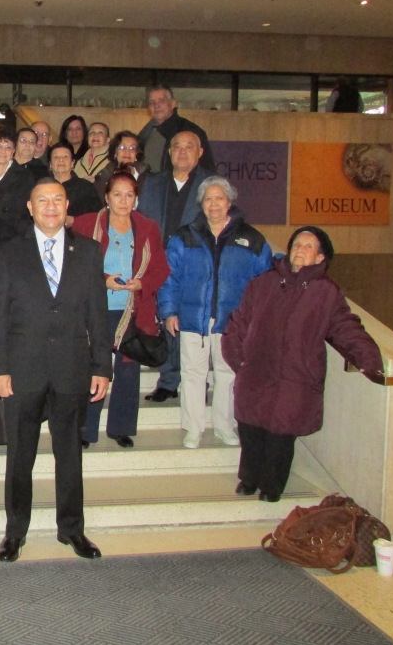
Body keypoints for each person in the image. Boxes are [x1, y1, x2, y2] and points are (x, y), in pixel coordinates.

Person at [0, 178, 111, 563]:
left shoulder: (88, 252)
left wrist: (101, 366)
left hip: (71, 368)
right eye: (43, 200)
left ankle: (72, 529)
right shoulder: (9, 253)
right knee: (19, 457)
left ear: (67, 204)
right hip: (22, 368)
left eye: (58, 199)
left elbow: (97, 315)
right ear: (30, 207)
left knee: (69, 454)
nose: (51, 206)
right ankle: (15, 532)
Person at [222, 227, 383, 502]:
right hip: (257, 371)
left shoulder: (326, 292)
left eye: (308, 246)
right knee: (251, 428)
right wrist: (242, 360)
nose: (300, 249)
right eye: (297, 244)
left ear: (320, 258)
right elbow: (238, 323)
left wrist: (368, 358)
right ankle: (249, 478)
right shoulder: (263, 283)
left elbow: (345, 327)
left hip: (296, 376)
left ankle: (271, 487)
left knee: (281, 434)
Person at [157, 177, 272, 449]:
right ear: (201, 204)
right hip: (192, 319)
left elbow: (265, 282)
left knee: (228, 374)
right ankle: (193, 428)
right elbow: (169, 277)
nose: (213, 204)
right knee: (193, 373)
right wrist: (169, 311)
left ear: (230, 202)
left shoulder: (251, 239)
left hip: (233, 321)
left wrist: (255, 318)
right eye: (208, 199)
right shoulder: (185, 236)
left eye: (219, 198)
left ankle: (224, 426)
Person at [72, 172, 169, 449]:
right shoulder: (87, 224)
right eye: (117, 194)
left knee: (127, 372)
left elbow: (160, 268)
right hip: (96, 310)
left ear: (136, 198)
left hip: (133, 311)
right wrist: (104, 280)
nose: (123, 200)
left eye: (129, 195)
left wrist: (142, 283)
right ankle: (85, 430)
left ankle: (121, 428)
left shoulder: (148, 227)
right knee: (94, 369)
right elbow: (74, 262)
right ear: (107, 197)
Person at [138, 131, 215, 403]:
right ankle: (169, 380)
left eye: (189, 147)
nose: (182, 152)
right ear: (169, 152)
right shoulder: (153, 183)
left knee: (192, 325)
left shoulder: (211, 185)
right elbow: (143, 222)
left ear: (200, 152)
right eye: (176, 147)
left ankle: (196, 383)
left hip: (196, 267)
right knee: (166, 323)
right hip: (159, 264)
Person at [137, 85, 216, 173]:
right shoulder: (146, 132)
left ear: (173, 103)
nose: (156, 106)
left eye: (161, 101)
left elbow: (208, 171)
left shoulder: (192, 132)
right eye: (152, 102)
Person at [0, 129, 35, 233]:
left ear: (13, 152)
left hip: (16, 235)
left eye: (8, 147)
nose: (3, 151)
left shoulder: (26, 176)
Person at [48, 143, 103, 225]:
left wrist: (74, 220)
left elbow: (96, 217)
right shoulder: (42, 187)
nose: (61, 160)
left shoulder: (86, 188)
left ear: (72, 163)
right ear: (50, 164)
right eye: (56, 157)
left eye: (65, 157)